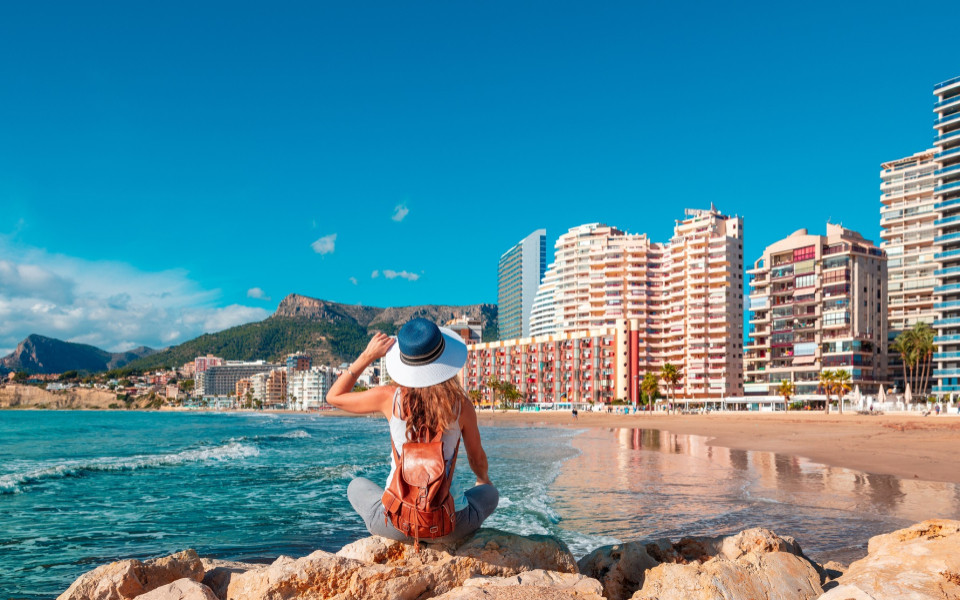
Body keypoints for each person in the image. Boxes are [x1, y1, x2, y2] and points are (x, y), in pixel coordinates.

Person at [327, 318, 498, 545]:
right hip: (450, 524)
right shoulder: (461, 405)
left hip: (397, 524)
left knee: (355, 485)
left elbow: (333, 397)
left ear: (404, 362)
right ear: (444, 359)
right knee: (490, 493)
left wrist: (367, 356)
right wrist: (482, 480)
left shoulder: (389, 398)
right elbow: (477, 459)